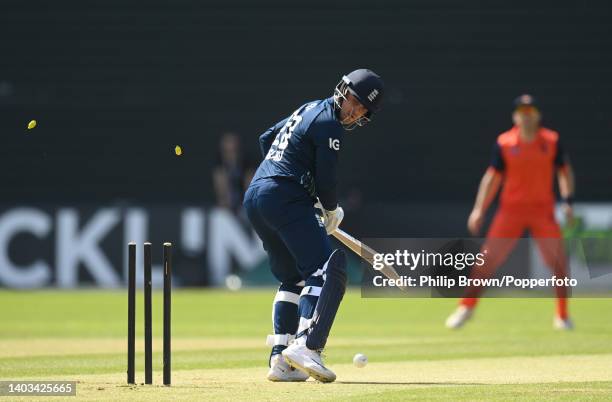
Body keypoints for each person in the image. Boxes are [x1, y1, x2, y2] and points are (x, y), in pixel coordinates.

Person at [243, 69, 384, 382]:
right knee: (326, 269)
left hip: (255, 196)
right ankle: (307, 346)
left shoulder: (308, 108)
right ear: (342, 89)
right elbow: (326, 180)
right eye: (354, 101)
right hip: (284, 197)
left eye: (363, 110)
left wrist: (286, 176)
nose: (354, 111)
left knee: (293, 278)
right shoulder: (329, 125)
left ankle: (281, 361)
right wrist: (329, 208)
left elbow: (267, 138)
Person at [445, 94, 575, 330]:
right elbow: (491, 178)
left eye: (530, 112)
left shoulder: (551, 141)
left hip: (542, 210)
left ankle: (562, 315)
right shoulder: (505, 143)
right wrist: (478, 210)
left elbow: (564, 172)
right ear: (515, 116)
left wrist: (567, 200)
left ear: (538, 116)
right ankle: (466, 307)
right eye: (522, 112)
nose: (526, 117)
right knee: (486, 261)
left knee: (558, 263)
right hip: (511, 210)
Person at [212, 132, 255, 212]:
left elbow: (249, 186)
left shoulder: (247, 164)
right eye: (227, 151)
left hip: (244, 204)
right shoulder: (219, 166)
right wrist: (225, 201)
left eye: (233, 150)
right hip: (226, 206)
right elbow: (221, 190)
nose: (230, 154)